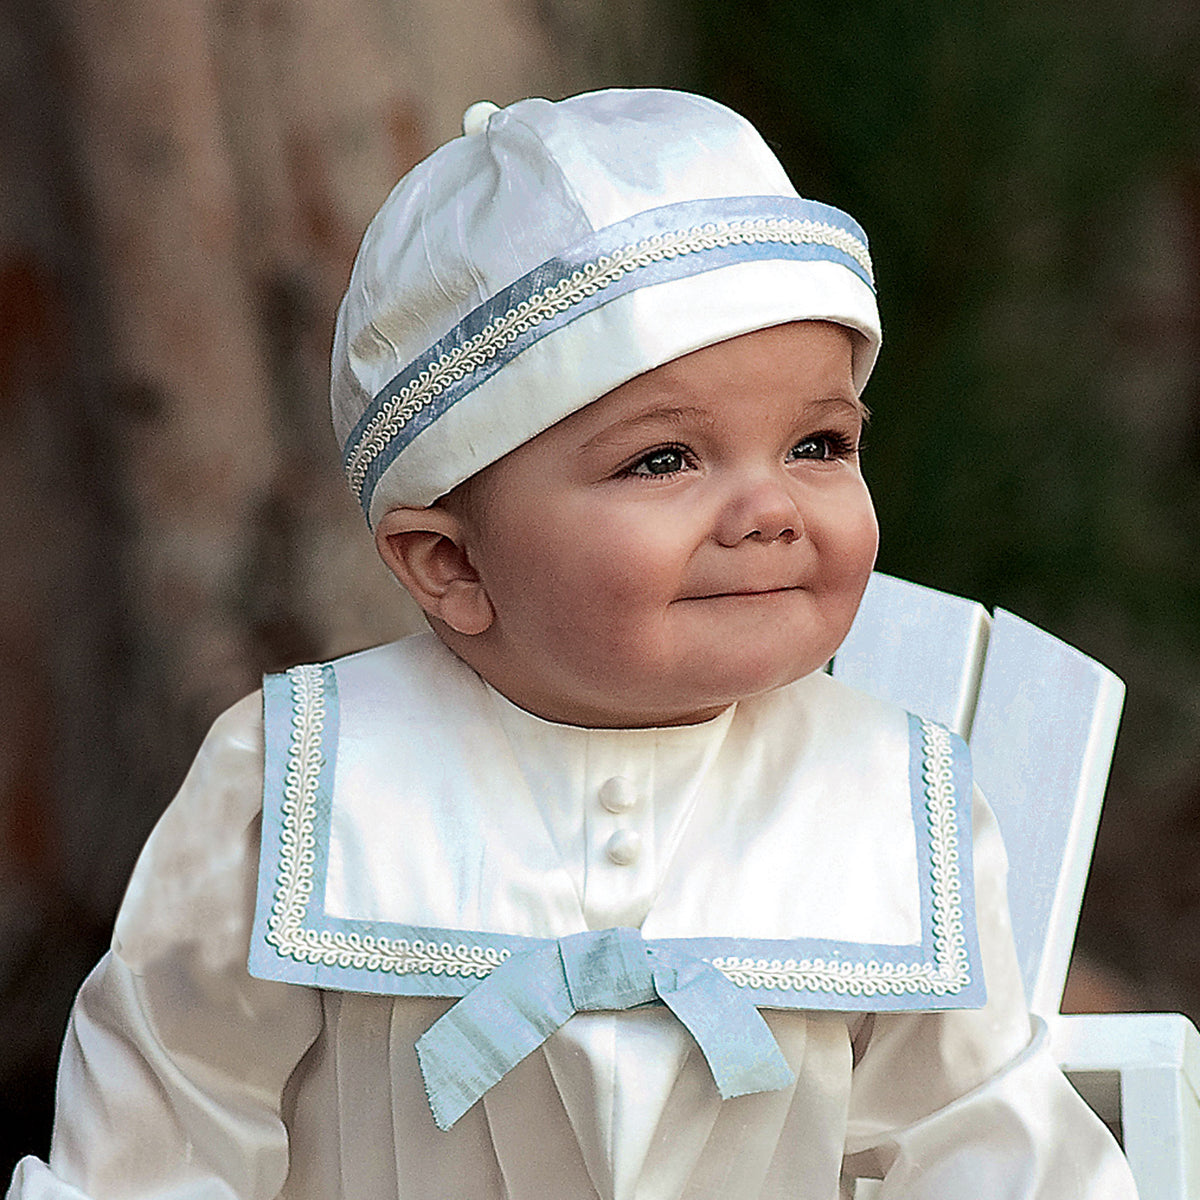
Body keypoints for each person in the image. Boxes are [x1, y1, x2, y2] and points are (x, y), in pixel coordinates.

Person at [9, 88, 1137, 1199]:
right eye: (665, 460)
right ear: (450, 563)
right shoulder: (309, 782)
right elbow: (168, 1121)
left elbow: (983, 1135)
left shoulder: (885, 801)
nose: (770, 508)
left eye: (818, 443)